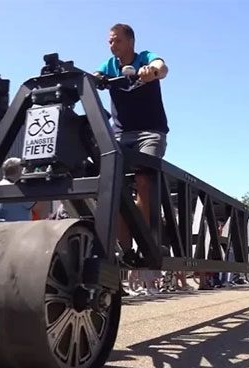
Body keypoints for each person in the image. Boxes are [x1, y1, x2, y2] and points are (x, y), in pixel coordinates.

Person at [95, 23, 169, 294]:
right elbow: (96, 76)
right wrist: (94, 78)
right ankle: (127, 253)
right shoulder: (110, 64)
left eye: (115, 40)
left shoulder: (144, 57)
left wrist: (153, 72)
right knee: (114, 191)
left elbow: (162, 66)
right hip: (121, 134)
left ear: (130, 41)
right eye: (109, 41)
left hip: (150, 132)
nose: (111, 45)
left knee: (144, 180)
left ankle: (147, 243)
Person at [0, 157, 39, 222]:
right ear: (18, 170)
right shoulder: (17, 189)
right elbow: (38, 206)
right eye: (23, 167)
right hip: (17, 229)